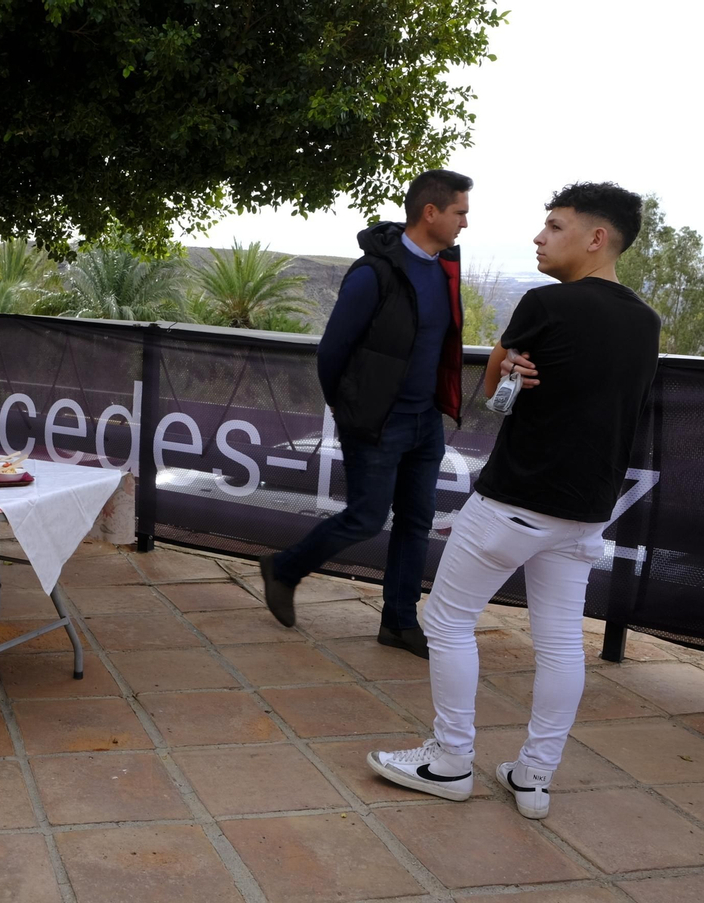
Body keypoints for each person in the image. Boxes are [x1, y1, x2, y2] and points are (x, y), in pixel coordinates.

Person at [368, 183, 659, 820]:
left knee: (446, 622)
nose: (539, 237)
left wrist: (508, 372)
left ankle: (448, 760)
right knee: (559, 645)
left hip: (514, 502)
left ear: (595, 238)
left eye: (553, 226)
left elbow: (497, 387)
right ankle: (533, 778)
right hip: (586, 513)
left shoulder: (546, 304)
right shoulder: (645, 322)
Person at [259, 170, 470, 658]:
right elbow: (332, 352)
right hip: (378, 422)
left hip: (425, 423)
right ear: (430, 212)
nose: (465, 223)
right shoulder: (373, 272)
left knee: (417, 522)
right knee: (365, 518)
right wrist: (353, 410)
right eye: (460, 212)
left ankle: (398, 622)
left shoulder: (446, 267)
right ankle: (284, 568)